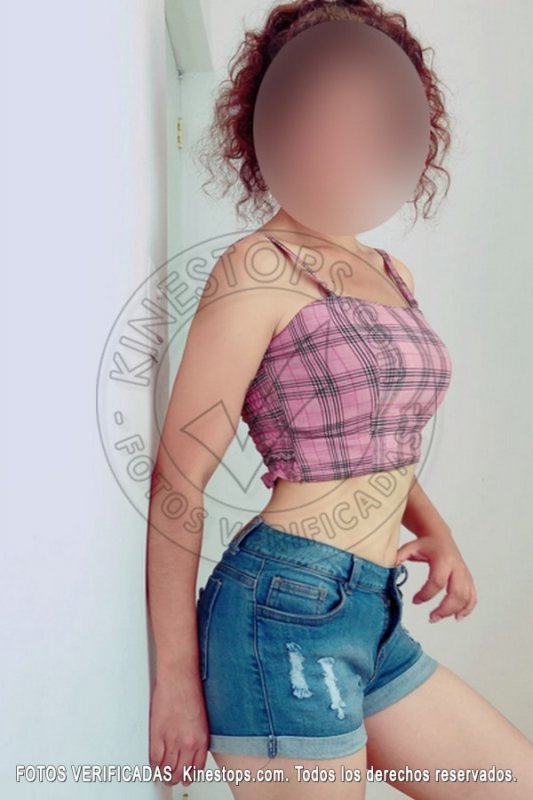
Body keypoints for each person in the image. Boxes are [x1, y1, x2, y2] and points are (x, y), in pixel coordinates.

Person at [147, 1, 533, 796]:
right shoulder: (257, 270)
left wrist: (435, 528)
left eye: (364, 119)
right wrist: (175, 679)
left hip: (369, 609)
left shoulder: (391, 274)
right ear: (270, 126)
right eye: (318, 118)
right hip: (279, 608)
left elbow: (375, 438)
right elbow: (177, 479)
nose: (341, 142)